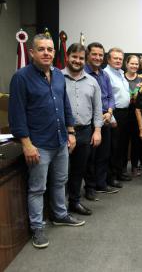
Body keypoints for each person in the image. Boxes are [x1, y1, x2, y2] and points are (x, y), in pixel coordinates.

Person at [9, 33, 85, 249]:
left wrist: (71, 132)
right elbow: (16, 115)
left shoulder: (59, 75)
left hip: (61, 140)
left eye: (50, 49)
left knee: (60, 181)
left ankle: (60, 215)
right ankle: (37, 228)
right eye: (41, 49)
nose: (47, 53)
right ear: (31, 52)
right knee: (37, 188)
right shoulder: (21, 78)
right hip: (38, 145)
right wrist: (26, 144)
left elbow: (65, 105)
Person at [63, 43, 104, 216]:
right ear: (67, 57)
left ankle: (74, 202)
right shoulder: (56, 77)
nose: (77, 61)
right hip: (63, 132)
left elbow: (98, 109)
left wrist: (97, 130)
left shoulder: (92, 82)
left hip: (85, 131)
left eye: (81, 58)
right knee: (61, 171)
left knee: (79, 169)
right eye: (74, 57)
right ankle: (58, 205)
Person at [85, 42, 119, 201]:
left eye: (100, 55)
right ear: (88, 55)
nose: (98, 57)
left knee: (104, 153)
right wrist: (100, 115)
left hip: (106, 117)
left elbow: (111, 97)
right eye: (94, 54)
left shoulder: (104, 75)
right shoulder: (84, 74)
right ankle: (90, 187)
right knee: (91, 155)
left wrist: (110, 112)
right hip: (91, 120)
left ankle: (101, 183)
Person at [104, 47, 132, 183]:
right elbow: (106, 97)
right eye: (115, 58)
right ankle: (111, 176)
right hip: (114, 114)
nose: (118, 60)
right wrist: (112, 116)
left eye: (120, 58)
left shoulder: (121, 73)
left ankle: (119, 171)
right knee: (113, 146)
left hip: (125, 113)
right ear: (108, 59)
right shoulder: (105, 74)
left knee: (122, 145)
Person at [124, 54, 142, 176]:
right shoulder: (121, 78)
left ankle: (135, 166)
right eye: (132, 63)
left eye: (136, 64)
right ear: (126, 64)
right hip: (123, 114)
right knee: (122, 142)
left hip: (138, 115)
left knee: (136, 142)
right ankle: (121, 166)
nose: (134, 66)